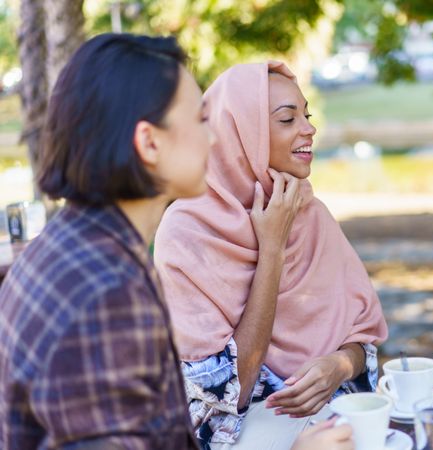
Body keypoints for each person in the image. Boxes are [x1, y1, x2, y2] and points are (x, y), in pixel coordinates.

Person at [0, 35, 353, 450]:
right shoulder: (105, 294)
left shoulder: (78, 253)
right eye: (199, 119)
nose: (216, 138)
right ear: (150, 142)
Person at [153, 61, 388, 449]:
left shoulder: (311, 214)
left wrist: (338, 365)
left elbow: (363, 341)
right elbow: (231, 391)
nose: (309, 129)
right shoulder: (186, 232)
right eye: (287, 119)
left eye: (307, 115)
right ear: (241, 133)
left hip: (333, 423)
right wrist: (272, 249)